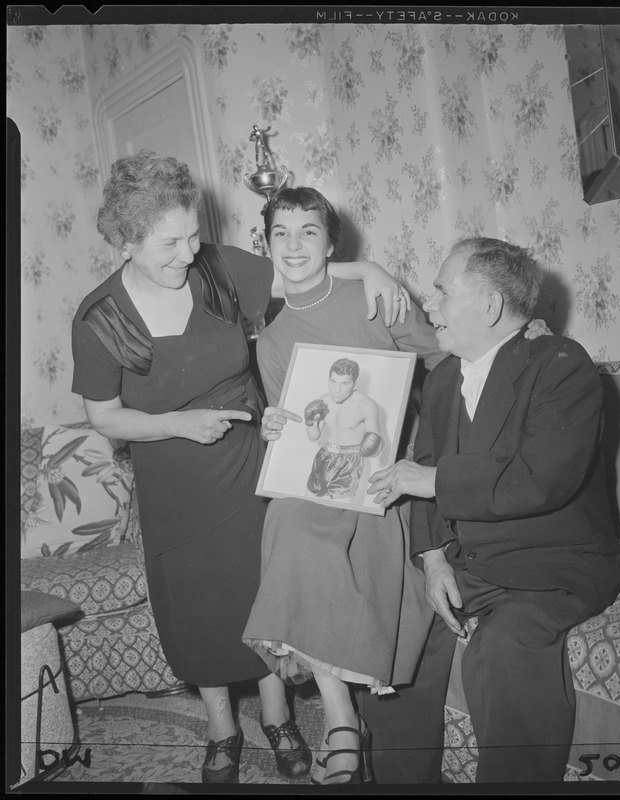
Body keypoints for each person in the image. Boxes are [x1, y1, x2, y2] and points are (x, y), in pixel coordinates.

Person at [70, 151, 412, 784]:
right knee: (198, 602)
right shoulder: (99, 318)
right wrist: (175, 423)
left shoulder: (216, 269)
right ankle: (221, 725)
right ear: (124, 242)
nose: (187, 250)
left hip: (251, 457)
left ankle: (278, 714)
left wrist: (373, 267)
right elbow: (105, 416)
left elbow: (302, 273)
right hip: (174, 472)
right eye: (168, 242)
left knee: (260, 584)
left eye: (192, 232)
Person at [241, 189, 549, 786]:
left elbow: (449, 359)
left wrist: (519, 341)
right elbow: (299, 420)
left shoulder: (373, 296)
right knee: (286, 517)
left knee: (305, 525)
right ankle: (340, 719)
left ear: (333, 243)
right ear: (268, 244)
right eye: (282, 233)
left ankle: (344, 729)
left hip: (395, 471)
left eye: (310, 232)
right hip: (325, 479)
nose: (295, 245)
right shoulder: (273, 337)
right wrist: (274, 426)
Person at [368, 237, 620, 784]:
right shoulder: (441, 378)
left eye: (441, 292)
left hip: (556, 563)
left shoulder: (561, 365)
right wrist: (435, 559)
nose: (429, 304)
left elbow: (540, 480)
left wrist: (431, 479)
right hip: (473, 560)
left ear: (489, 307)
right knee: (395, 620)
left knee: (504, 647)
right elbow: (428, 475)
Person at [305, 358, 383, 500]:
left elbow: (375, 448)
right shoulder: (324, 401)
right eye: (333, 382)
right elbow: (313, 437)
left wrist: (373, 445)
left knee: (337, 513)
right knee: (308, 503)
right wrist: (310, 423)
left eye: (344, 383)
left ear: (355, 384)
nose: (337, 390)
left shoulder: (366, 405)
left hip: (349, 462)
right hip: (324, 455)